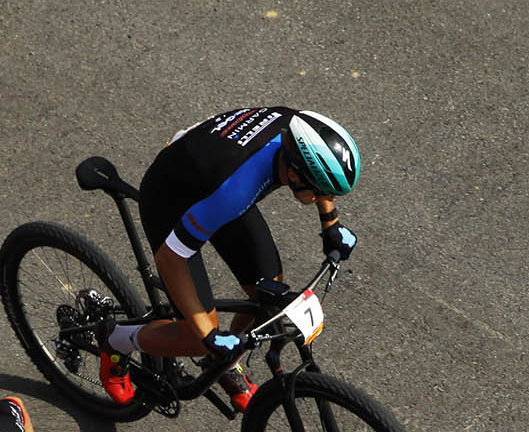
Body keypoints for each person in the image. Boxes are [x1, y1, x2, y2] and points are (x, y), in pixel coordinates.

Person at [98, 108, 361, 409]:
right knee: (195, 338)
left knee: (267, 289)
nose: (321, 198)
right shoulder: (233, 192)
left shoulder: (298, 132)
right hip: (173, 197)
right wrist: (208, 334)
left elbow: (316, 168)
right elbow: (171, 260)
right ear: (293, 173)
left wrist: (331, 222)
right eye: (320, 193)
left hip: (216, 170)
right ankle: (115, 340)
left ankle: (221, 360)